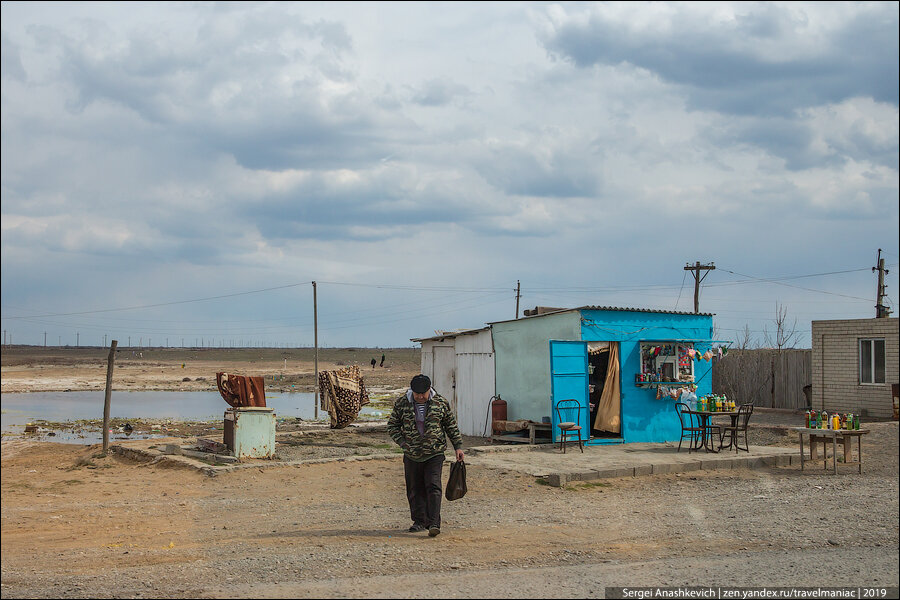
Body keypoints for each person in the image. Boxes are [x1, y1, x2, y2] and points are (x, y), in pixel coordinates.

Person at [387, 374, 464, 537]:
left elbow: (450, 425)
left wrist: (458, 447)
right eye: (417, 394)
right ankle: (419, 521)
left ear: (430, 390)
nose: (421, 397)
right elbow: (392, 426)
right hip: (411, 454)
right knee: (415, 489)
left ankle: (434, 522)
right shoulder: (402, 403)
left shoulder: (441, 403)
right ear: (412, 391)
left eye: (423, 393)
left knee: (433, 486)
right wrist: (402, 443)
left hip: (434, 453)